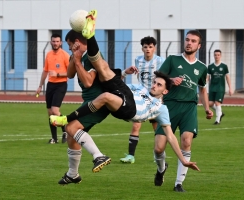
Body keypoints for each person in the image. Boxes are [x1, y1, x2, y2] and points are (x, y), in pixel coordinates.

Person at [50, 10, 200, 186]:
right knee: (105, 75)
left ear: (165, 92)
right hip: (124, 95)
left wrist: (182, 160)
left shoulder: (162, 108)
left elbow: (171, 137)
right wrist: (122, 74)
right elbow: (117, 82)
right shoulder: (142, 89)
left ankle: (96, 153)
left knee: (91, 108)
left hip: (129, 108)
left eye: (159, 85)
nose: (154, 85)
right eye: (155, 83)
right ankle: (73, 173)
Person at [156, 30, 213, 192]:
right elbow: (158, 78)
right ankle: (161, 169)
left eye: (193, 41)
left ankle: (178, 184)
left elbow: (202, 89)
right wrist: (170, 80)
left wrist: (207, 109)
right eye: (187, 40)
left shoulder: (202, 68)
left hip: (189, 107)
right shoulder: (173, 60)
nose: (189, 43)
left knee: (186, 141)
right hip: (169, 106)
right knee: (159, 148)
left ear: (199, 46)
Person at [57, 29, 112, 185]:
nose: (68, 48)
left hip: (99, 102)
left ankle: (98, 156)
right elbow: (69, 74)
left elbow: (88, 82)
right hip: (89, 101)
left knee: (71, 127)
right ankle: (72, 174)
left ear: (77, 42)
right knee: (71, 136)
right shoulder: (79, 56)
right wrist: (75, 57)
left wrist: (79, 60)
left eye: (69, 45)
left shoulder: (94, 56)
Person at [120, 36, 165, 164]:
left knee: (157, 127)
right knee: (136, 124)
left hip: (156, 98)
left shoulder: (160, 61)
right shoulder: (138, 60)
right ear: (142, 48)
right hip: (142, 97)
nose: (148, 49)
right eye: (145, 47)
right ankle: (130, 156)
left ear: (154, 48)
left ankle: (158, 155)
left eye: (150, 47)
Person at [36, 33, 69, 144]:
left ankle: (65, 130)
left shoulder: (65, 55)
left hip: (61, 84)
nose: (55, 43)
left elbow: (70, 73)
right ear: (51, 42)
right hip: (50, 85)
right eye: (53, 41)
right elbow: (45, 71)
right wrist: (40, 85)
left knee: (55, 110)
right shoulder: (49, 55)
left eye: (57, 41)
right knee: (50, 113)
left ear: (61, 43)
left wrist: (58, 74)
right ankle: (54, 138)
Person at [207, 49, 233, 125]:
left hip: (220, 87)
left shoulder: (224, 66)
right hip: (212, 87)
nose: (216, 56)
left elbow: (227, 77)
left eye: (218, 55)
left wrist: (230, 88)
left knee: (217, 103)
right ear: (213, 56)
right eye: (215, 55)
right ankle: (220, 113)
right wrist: (204, 85)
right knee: (210, 104)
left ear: (220, 56)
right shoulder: (210, 66)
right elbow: (208, 77)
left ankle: (217, 120)